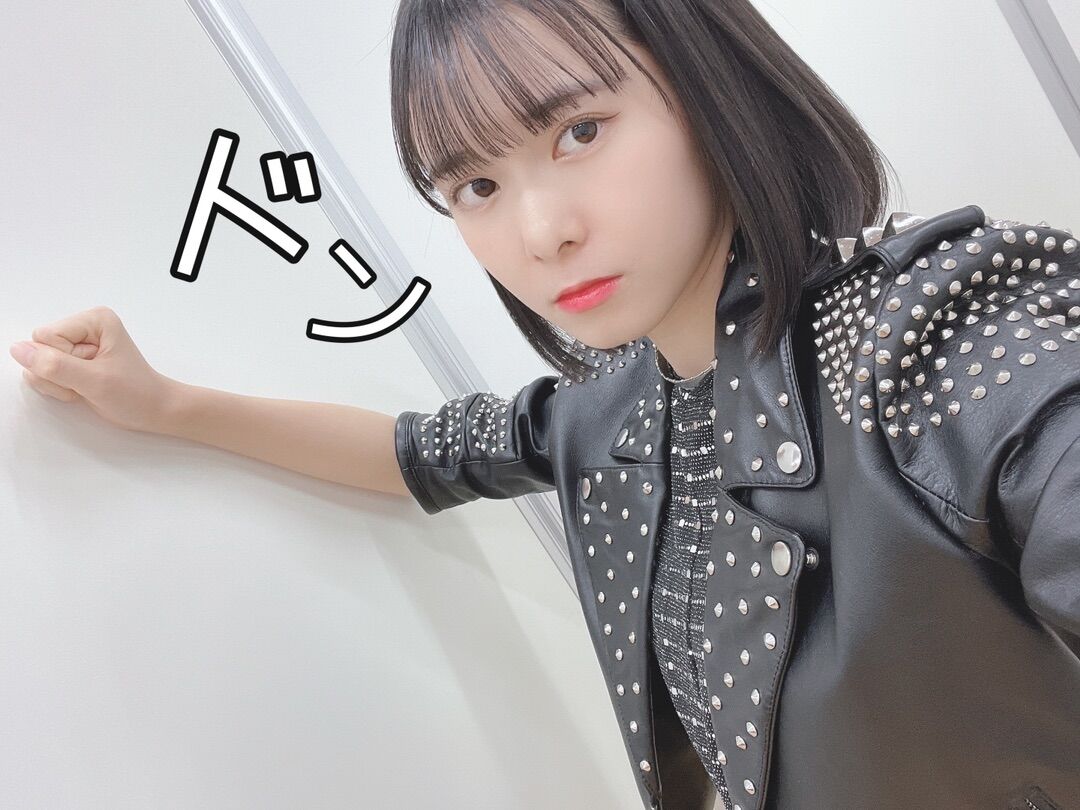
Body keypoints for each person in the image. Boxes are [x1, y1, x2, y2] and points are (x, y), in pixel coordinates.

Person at [9, 1, 1080, 809]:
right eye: (475, 187)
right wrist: (168, 405)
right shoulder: (609, 417)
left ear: (704, 79)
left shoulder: (935, 336)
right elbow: (412, 453)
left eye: (578, 130)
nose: (538, 232)